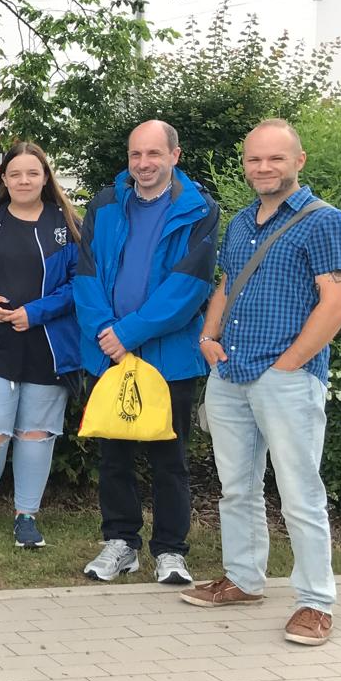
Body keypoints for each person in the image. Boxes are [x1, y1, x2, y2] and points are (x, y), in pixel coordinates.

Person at [184, 119, 341, 646]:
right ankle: (243, 579)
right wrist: (208, 336)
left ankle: (316, 602)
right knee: (237, 488)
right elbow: (227, 284)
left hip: (286, 378)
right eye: (255, 159)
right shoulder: (241, 222)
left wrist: (288, 365)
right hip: (230, 372)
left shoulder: (325, 221)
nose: (263, 167)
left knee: (300, 493)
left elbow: (337, 302)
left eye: (275, 158)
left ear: (298, 161)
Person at [74, 119, 218, 585]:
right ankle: (121, 543)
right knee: (113, 455)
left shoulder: (198, 210)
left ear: (175, 155)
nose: (143, 163)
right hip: (108, 354)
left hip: (168, 358)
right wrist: (106, 333)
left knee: (169, 460)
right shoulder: (104, 205)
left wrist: (128, 333)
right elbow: (85, 274)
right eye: (136, 154)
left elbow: (189, 287)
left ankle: (171, 550)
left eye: (154, 153)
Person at [0, 142, 82, 549]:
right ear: (4, 179)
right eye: (15, 174)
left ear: (45, 177)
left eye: (33, 173)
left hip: (49, 345)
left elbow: (80, 285)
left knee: (36, 433)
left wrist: (36, 312)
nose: (24, 180)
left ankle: (26, 516)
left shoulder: (68, 224)